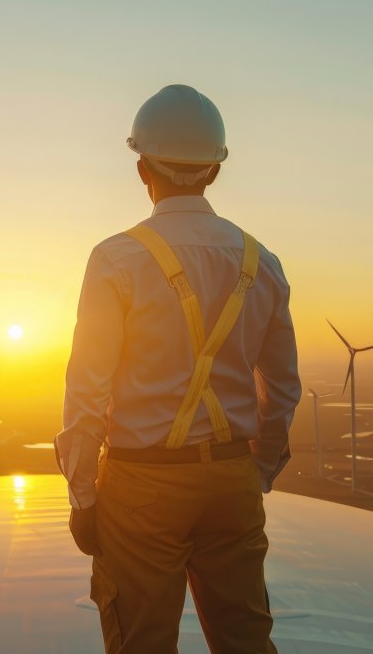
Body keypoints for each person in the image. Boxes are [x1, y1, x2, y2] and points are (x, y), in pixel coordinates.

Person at [54, 84, 301, 654]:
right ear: (214, 172)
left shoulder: (116, 259)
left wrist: (85, 497)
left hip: (141, 483)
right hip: (233, 478)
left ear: (143, 168)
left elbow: (87, 391)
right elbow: (283, 390)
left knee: (140, 642)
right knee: (245, 640)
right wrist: (254, 475)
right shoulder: (262, 261)